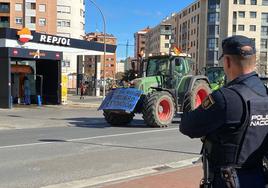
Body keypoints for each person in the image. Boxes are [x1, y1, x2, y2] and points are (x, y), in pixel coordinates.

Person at [180, 35, 268, 188]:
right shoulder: (265, 93)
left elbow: (187, 127)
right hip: (259, 177)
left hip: (227, 181)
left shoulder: (224, 98)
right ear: (254, 60)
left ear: (227, 61)